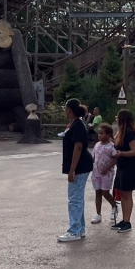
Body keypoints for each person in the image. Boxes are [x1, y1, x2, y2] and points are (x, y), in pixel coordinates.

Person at [57, 98, 92, 243]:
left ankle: (74, 230)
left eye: (65, 109)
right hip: (81, 165)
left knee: (74, 199)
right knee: (77, 198)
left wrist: (72, 170)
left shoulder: (78, 125)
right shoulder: (75, 124)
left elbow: (78, 147)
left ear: (69, 110)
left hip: (80, 166)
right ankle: (80, 228)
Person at [113, 109, 135, 233]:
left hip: (131, 166)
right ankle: (124, 220)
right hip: (122, 166)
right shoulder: (121, 133)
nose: (116, 119)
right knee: (122, 193)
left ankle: (127, 222)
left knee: (127, 194)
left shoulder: (130, 133)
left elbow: (134, 151)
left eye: (118, 117)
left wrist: (121, 153)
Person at [90, 123, 120, 226]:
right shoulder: (97, 145)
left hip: (107, 174)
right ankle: (98, 214)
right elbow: (93, 157)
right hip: (96, 173)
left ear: (108, 135)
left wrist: (107, 168)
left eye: (102, 133)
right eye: (99, 133)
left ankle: (114, 206)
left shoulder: (111, 146)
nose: (99, 135)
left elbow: (115, 158)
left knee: (105, 192)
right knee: (97, 193)